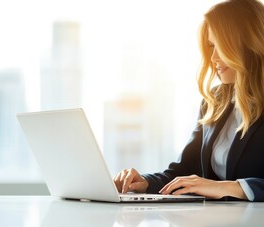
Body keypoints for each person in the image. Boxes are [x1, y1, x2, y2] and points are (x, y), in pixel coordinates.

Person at [113, 0, 264, 202]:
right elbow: (184, 172)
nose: (213, 58)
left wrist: (232, 187)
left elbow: (212, 185)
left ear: (248, 43)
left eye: (221, 46)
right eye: (211, 46)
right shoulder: (215, 102)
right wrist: (145, 182)